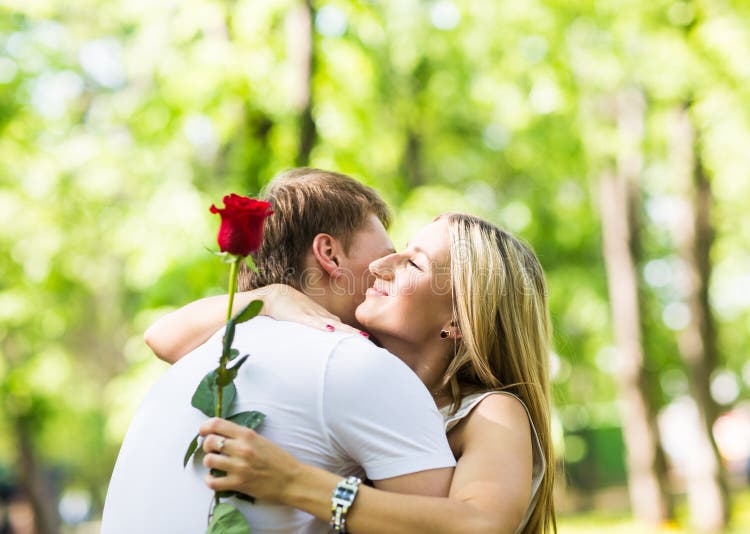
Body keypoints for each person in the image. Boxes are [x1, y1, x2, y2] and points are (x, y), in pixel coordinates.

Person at [148, 212, 557, 533]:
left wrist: (292, 483)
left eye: (413, 263)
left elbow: (481, 525)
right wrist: (270, 296)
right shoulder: (352, 369)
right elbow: (164, 337)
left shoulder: (491, 412)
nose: (382, 263)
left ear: (460, 320)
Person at [101, 169, 457, 534]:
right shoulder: (355, 364)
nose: (386, 268)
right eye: (387, 254)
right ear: (329, 254)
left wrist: (268, 296)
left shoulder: (199, 359)